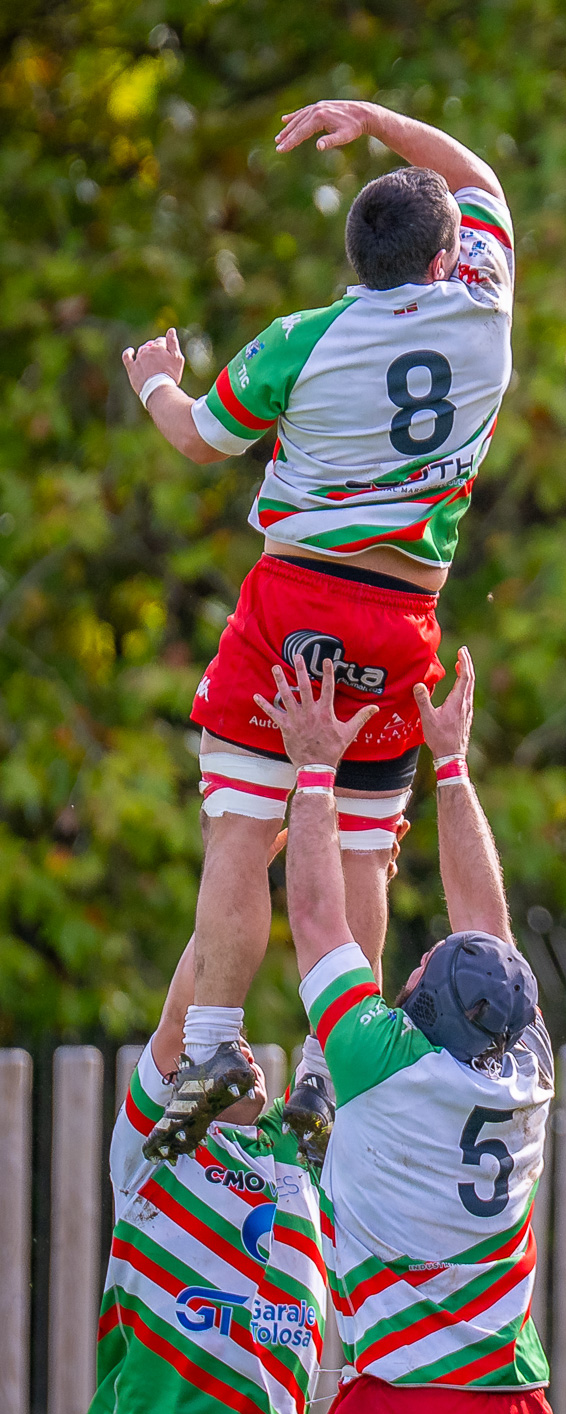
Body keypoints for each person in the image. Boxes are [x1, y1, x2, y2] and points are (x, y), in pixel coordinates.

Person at [119, 98, 516, 1161]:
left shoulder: (303, 341)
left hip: (295, 602)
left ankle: (210, 1044)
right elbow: (475, 166)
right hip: (402, 622)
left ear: (359, 258)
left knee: (242, 836)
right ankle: (321, 1074)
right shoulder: (482, 308)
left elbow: (203, 438)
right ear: (446, 256)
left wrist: (155, 380)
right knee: (359, 856)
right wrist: (374, 118)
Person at [258, 645, 559, 1414]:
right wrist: (454, 766)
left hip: (403, 1413)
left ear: (418, 1006)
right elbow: (492, 925)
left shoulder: (378, 1059)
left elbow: (313, 916)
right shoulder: (529, 1063)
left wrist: (309, 768)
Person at [81, 933, 326, 1414]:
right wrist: (239, 861)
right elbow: (178, 1017)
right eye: (230, 1041)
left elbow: (343, 1020)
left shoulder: (301, 1152)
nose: (244, 1053)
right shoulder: (158, 1142)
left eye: (250, 1044)